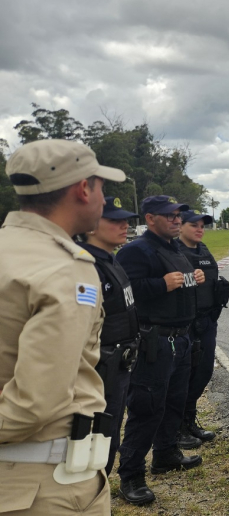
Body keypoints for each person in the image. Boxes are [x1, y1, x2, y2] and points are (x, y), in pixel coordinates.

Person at [0, 139, 125, 515]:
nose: (105, 200)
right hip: (42, 484)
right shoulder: (65, 269)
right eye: (102, 186)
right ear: (83, 189)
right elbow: (36, 403)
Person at [116, 195, 205, 505]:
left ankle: (165, 454)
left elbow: (178, 285)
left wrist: (193, 279)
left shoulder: (174, 248)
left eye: (178, 214)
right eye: (169, 215)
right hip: (154, 340)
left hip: (180, 338)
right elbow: (126, 292)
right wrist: (161, 285)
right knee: (146, 407)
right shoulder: (135, 251)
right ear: (150, 218)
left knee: (174, 401)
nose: (176, 219)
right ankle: (131, 475)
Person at [76, 196, 140, 476]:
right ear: (91, 225)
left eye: (126, 220)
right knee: (93, 439)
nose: (124, 225)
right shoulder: (84, 266)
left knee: (109, 435)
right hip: (99, 367)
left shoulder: (110, 261)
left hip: (118, 365)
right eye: (114, 220)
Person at [177, 210, 229, 448]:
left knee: (203, 372)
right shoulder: (174, 252)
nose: (199, 229)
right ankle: (177, 427)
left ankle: (189, 420)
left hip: (207, 321)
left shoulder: (205, 251)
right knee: (182, 377)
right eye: (193, 225)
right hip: (185, 324)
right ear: (180, 226)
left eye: (202, 225)